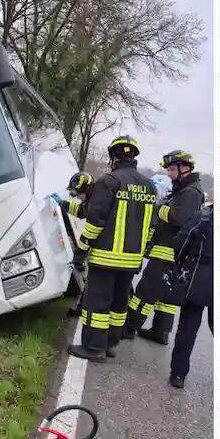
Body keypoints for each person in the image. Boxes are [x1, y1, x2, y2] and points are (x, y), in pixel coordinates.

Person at [68, 135, 156, 363]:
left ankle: (93, 347)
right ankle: (110, 345)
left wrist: (81, 252)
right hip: (131, 261)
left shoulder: (108, 182)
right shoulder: (150, 187)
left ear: (113, 157)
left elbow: (95, 222)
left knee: (97, 303)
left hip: (106, 258)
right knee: (119, 304)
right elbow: (151, 227)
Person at [123, 150, 205, 345]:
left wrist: (158, 208)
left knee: (145, 292)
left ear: (184, 168)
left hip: (167, 252)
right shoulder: (184, 189)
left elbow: (178, 217)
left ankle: (128, 328)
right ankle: (160, 332)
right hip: (170, 252)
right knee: (165, 297)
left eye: (171, 169)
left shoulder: (190, 192)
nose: (168, 173)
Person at [168, 203, 213, 388]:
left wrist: (179, 266)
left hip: (198, 276)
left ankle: (178, 374)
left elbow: (182, 242)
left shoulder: (203, 216)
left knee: (188, 326)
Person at [59, 171, 94, 317]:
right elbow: (81, 211)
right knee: (92, 281)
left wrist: (81, 254)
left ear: (85, 189)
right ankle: (82, 308)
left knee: (94, 283)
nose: (77, 197)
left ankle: (85, 310)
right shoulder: (95, 199)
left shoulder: (98, 201)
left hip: (108, 252)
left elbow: (92, 229)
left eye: (77, 193)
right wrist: (63, 204)